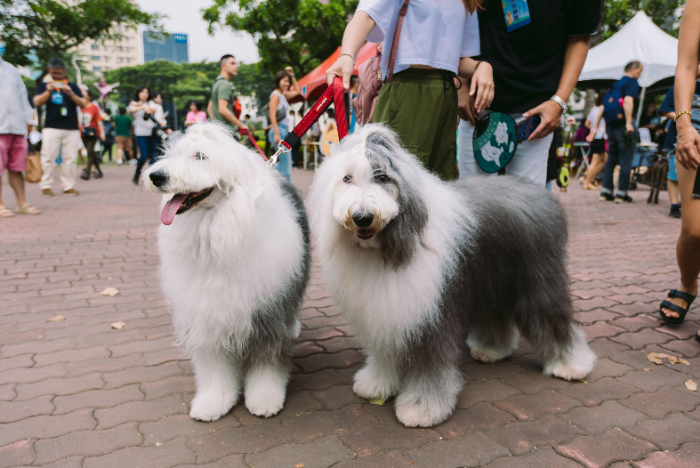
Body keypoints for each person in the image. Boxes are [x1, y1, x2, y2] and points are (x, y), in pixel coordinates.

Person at [326, 0, 493, 181]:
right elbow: (366, 16)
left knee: (443, 186)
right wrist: (347, 55)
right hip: (407, 90)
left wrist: (482, 66)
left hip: (445, 94)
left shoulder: (467, 2)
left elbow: (455, 58)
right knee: (395, 183)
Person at [458, 0, 600, 186]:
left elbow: (580, 36)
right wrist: (461, 85)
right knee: (472, 198)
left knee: (527, 205)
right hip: (478, 104)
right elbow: (465, 16)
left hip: (536, 113)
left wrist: (558, 101)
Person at [659, 0, 700, 340]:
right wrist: (684, 125)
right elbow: (686, 66)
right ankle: (689, 282)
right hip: (698, 118)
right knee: (694, 231)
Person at [34, 57, 88, 196]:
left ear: (64, 71)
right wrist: (48, 91)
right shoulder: (44, 86)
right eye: (53, 73)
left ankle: (68, 186)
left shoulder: (73, 86)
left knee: (70, 158)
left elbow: (83, 103)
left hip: (71, 128)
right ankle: (45, 185)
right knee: (47, 157)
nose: (57, 75)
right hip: (51, 127)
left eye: (59, 73)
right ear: (50, 72)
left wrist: (71, 93)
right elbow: (38, 102)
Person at [0, 39, 41, 216]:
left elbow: (23, 97)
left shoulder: (11, 69)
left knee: (17, 168)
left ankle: (21, 203)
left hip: (16, 128)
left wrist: (29, 121)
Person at [598, 61, 644, 203]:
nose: (640, 74)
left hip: (611, 126)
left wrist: (595, 128)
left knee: (611, 159)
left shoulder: (615, 85)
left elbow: (602, 107)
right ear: (634, 69)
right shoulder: (631, 83)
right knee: (626, 160)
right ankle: (621, 193)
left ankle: (606, 191)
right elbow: (628, 101)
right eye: (640, 71)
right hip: (624, 127)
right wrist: (629, 122)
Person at [269, 67, 301, 182]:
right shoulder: (276, 95)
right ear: (278, 81)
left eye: (288, 81)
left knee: (284, 164)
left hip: (284, 130)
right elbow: (272, 114)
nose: (287, 83)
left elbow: (297, 91)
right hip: (278, 130)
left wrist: (292, 75)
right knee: (286, 166)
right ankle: (287, 192)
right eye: (285, 81)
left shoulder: (282, 95)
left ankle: (266, 175)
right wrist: (277, 134)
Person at [210, 54, 248, 135]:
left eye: (236, 63)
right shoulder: (224, 84)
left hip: (219, 133)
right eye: (232, 63)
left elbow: (209, 108)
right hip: (227, 134)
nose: (236, 66)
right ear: (223, 66)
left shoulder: (216, 83)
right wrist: (241, 125)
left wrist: (216, 125)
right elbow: (222, 109)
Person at [128, 86, 157, 184]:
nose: (144, 94)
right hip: (141, 133)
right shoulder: (133, 104)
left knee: (153, 157)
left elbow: (153, 109)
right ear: (138, 93)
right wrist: (142, 106)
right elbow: (131, 110)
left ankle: (152, 179)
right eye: (142, 92)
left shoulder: (151, 103)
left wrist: (144, 106)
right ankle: (137, 174)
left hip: (153, 132)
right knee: (144, 156)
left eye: (146, 92)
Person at [584, 91, 608, 190]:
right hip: (600, 137)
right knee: (595, 162)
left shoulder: (594, 109)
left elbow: (586, 123)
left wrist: (592, 130)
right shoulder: (604, 109)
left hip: (596, 137)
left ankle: (590, 178)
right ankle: (587, 182)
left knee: (604, 160)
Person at [79, 90, 105, 180]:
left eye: (85, 95)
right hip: (82, 133)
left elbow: (99, 121)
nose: (83, 97)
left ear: (90, 96)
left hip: (92, 133)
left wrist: (102, 133)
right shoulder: (80, 107)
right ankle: (100, 172)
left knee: (90, 152)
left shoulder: (94, 107)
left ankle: (87, 172)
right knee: (92, 153)